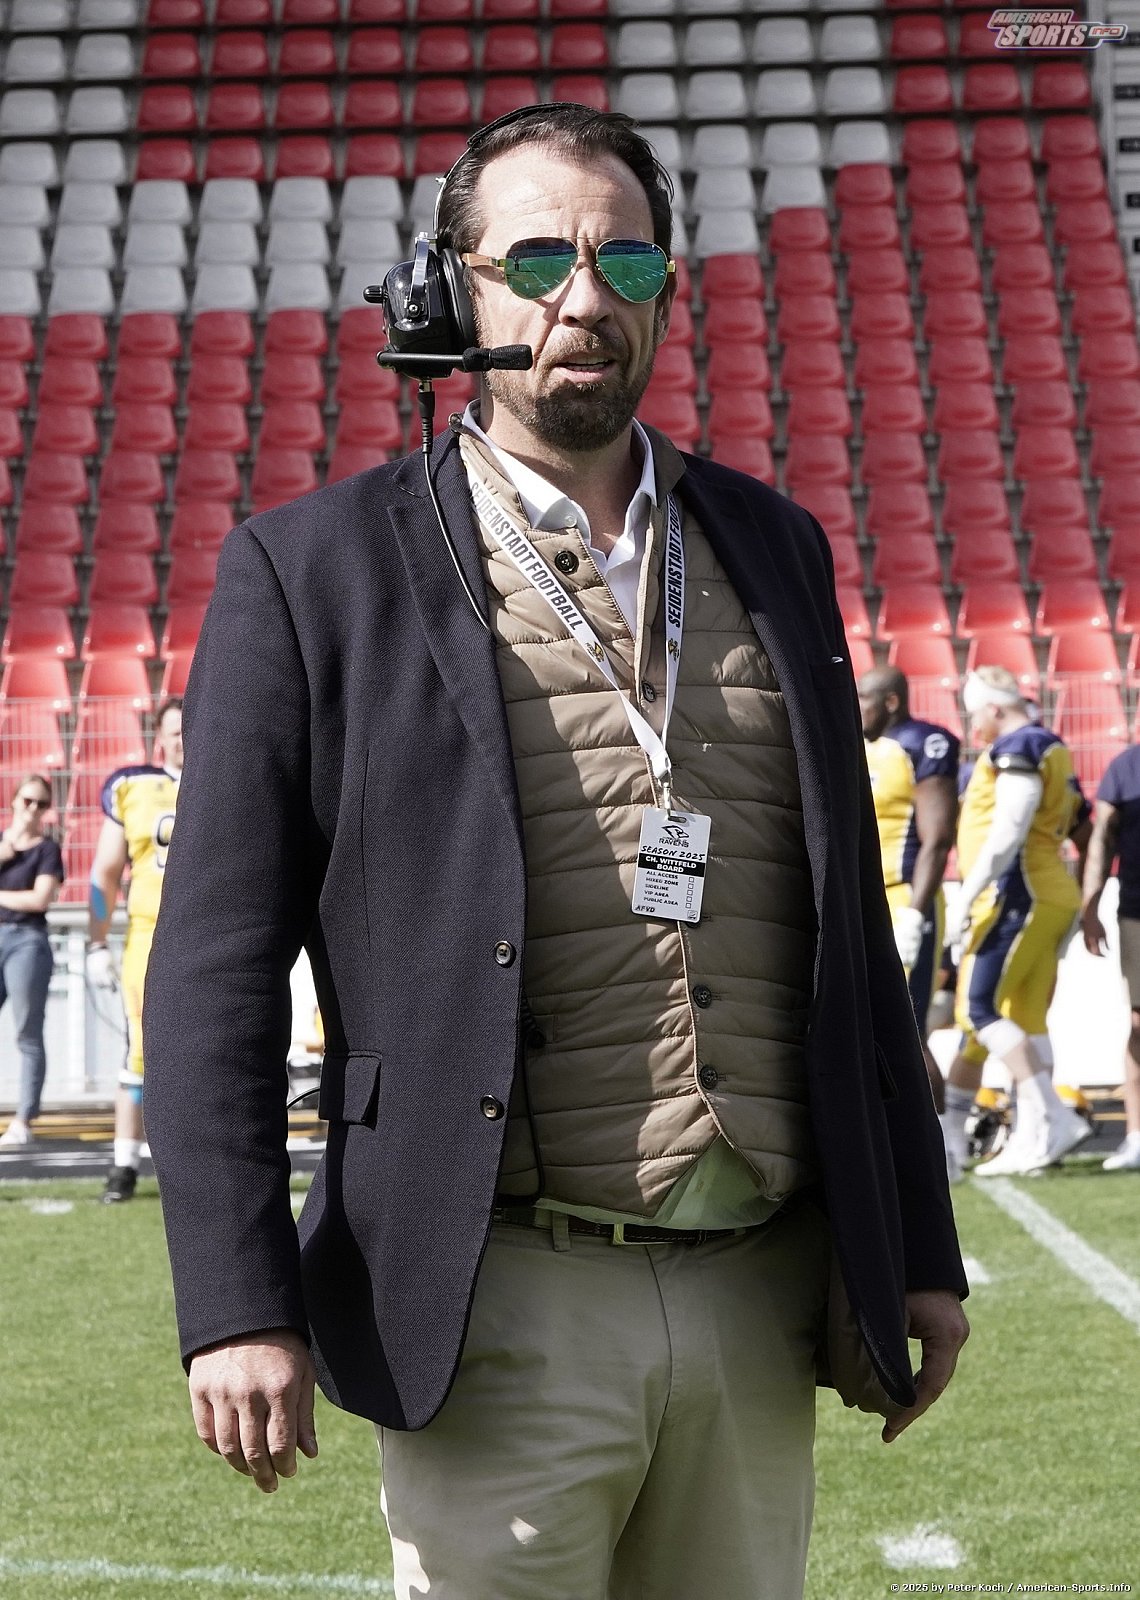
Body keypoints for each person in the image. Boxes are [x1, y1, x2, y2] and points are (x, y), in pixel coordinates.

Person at [144, 105, 968, 1600]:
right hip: (495, 1298)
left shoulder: (776, 543)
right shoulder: (311, 570)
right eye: (536, 261)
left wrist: (920, 1243)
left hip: (759, 1288)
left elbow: (851, 927)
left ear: (666, 291)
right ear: (449, 288)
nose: (584, 298)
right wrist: (235, 1301)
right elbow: (213, 969)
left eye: (623, 261)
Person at [943, 667, 1092, 1178]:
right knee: (1026, 1016)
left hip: (1018, 892)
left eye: (975, 714)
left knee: (977, 1008)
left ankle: (1053, 1117)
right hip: (1047, 891)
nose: (973, 726)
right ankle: (1035, 1136)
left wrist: (965, 899)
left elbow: (1009, 830)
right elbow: (1079, 825)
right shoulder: (1052, 746)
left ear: (994, 708)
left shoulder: (1021, 745)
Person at [858, 667, 960, 1175]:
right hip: (868, 899)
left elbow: (937, 839)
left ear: (891, 701)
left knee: (908, 1029)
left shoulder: (924, 744)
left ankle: (944, 1148)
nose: (857, 708)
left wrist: (916, 916)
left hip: (905, 900)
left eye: (864, 699)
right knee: (874, 1027)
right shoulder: (864, 748)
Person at [86, 698, 182, 1202]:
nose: (183, 740)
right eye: (174, 732)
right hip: (150, 933)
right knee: (140, 1049)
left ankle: (197, 1163)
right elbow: (105, 873)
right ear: (159, 738)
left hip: (221, 932)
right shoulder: (135, 786)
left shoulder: (228, 777)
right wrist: (96, 941)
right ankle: (124, 1165)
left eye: (189, 729)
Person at [1080, 744, 1140, 1171]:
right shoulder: (1126, 767)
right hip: (1137, 912)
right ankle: (1136, 1135)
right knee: (1139, 1023)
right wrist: (1091, 906)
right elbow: (1102, 836)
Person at [0, 774, 64, 1147]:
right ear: (13, 801)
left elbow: (40, 899)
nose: (33, 809)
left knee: (27, 1032)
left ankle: (24, 1118)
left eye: (41, 804)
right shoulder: (4, 845)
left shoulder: (47, 850)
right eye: (27, 801)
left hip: (27, 940)